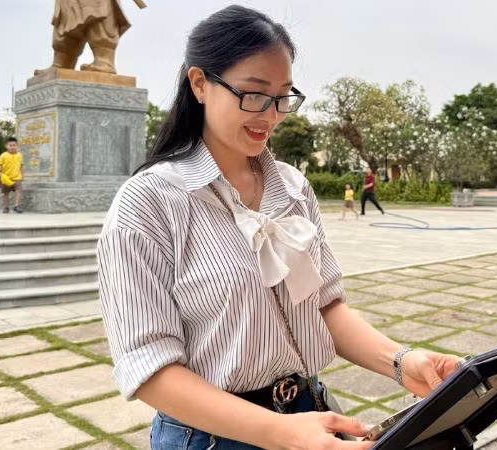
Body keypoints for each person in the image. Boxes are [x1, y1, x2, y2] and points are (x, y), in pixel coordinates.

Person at [96, 6, 460, 450]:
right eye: (253, 93)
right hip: (213, 436)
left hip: (309, 413)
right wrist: (281, 433)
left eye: (283, 96)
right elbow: (149, 368)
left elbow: (324, 306)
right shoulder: (149, 203)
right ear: (199, 83)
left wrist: (403, 362)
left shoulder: (292, 188)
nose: (269, 114)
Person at [0, 137, 24, 213]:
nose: (12, 147)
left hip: (17, 178)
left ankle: (17, 205)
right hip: (6, 178)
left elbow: (21, 166)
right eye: (10, 145)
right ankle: (6, 207)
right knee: (6, 193)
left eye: (14, 145)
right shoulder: (3, 155)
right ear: (7, 146)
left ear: (17, 146)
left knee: (18, 191)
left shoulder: (20, 155)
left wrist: (22, 175)